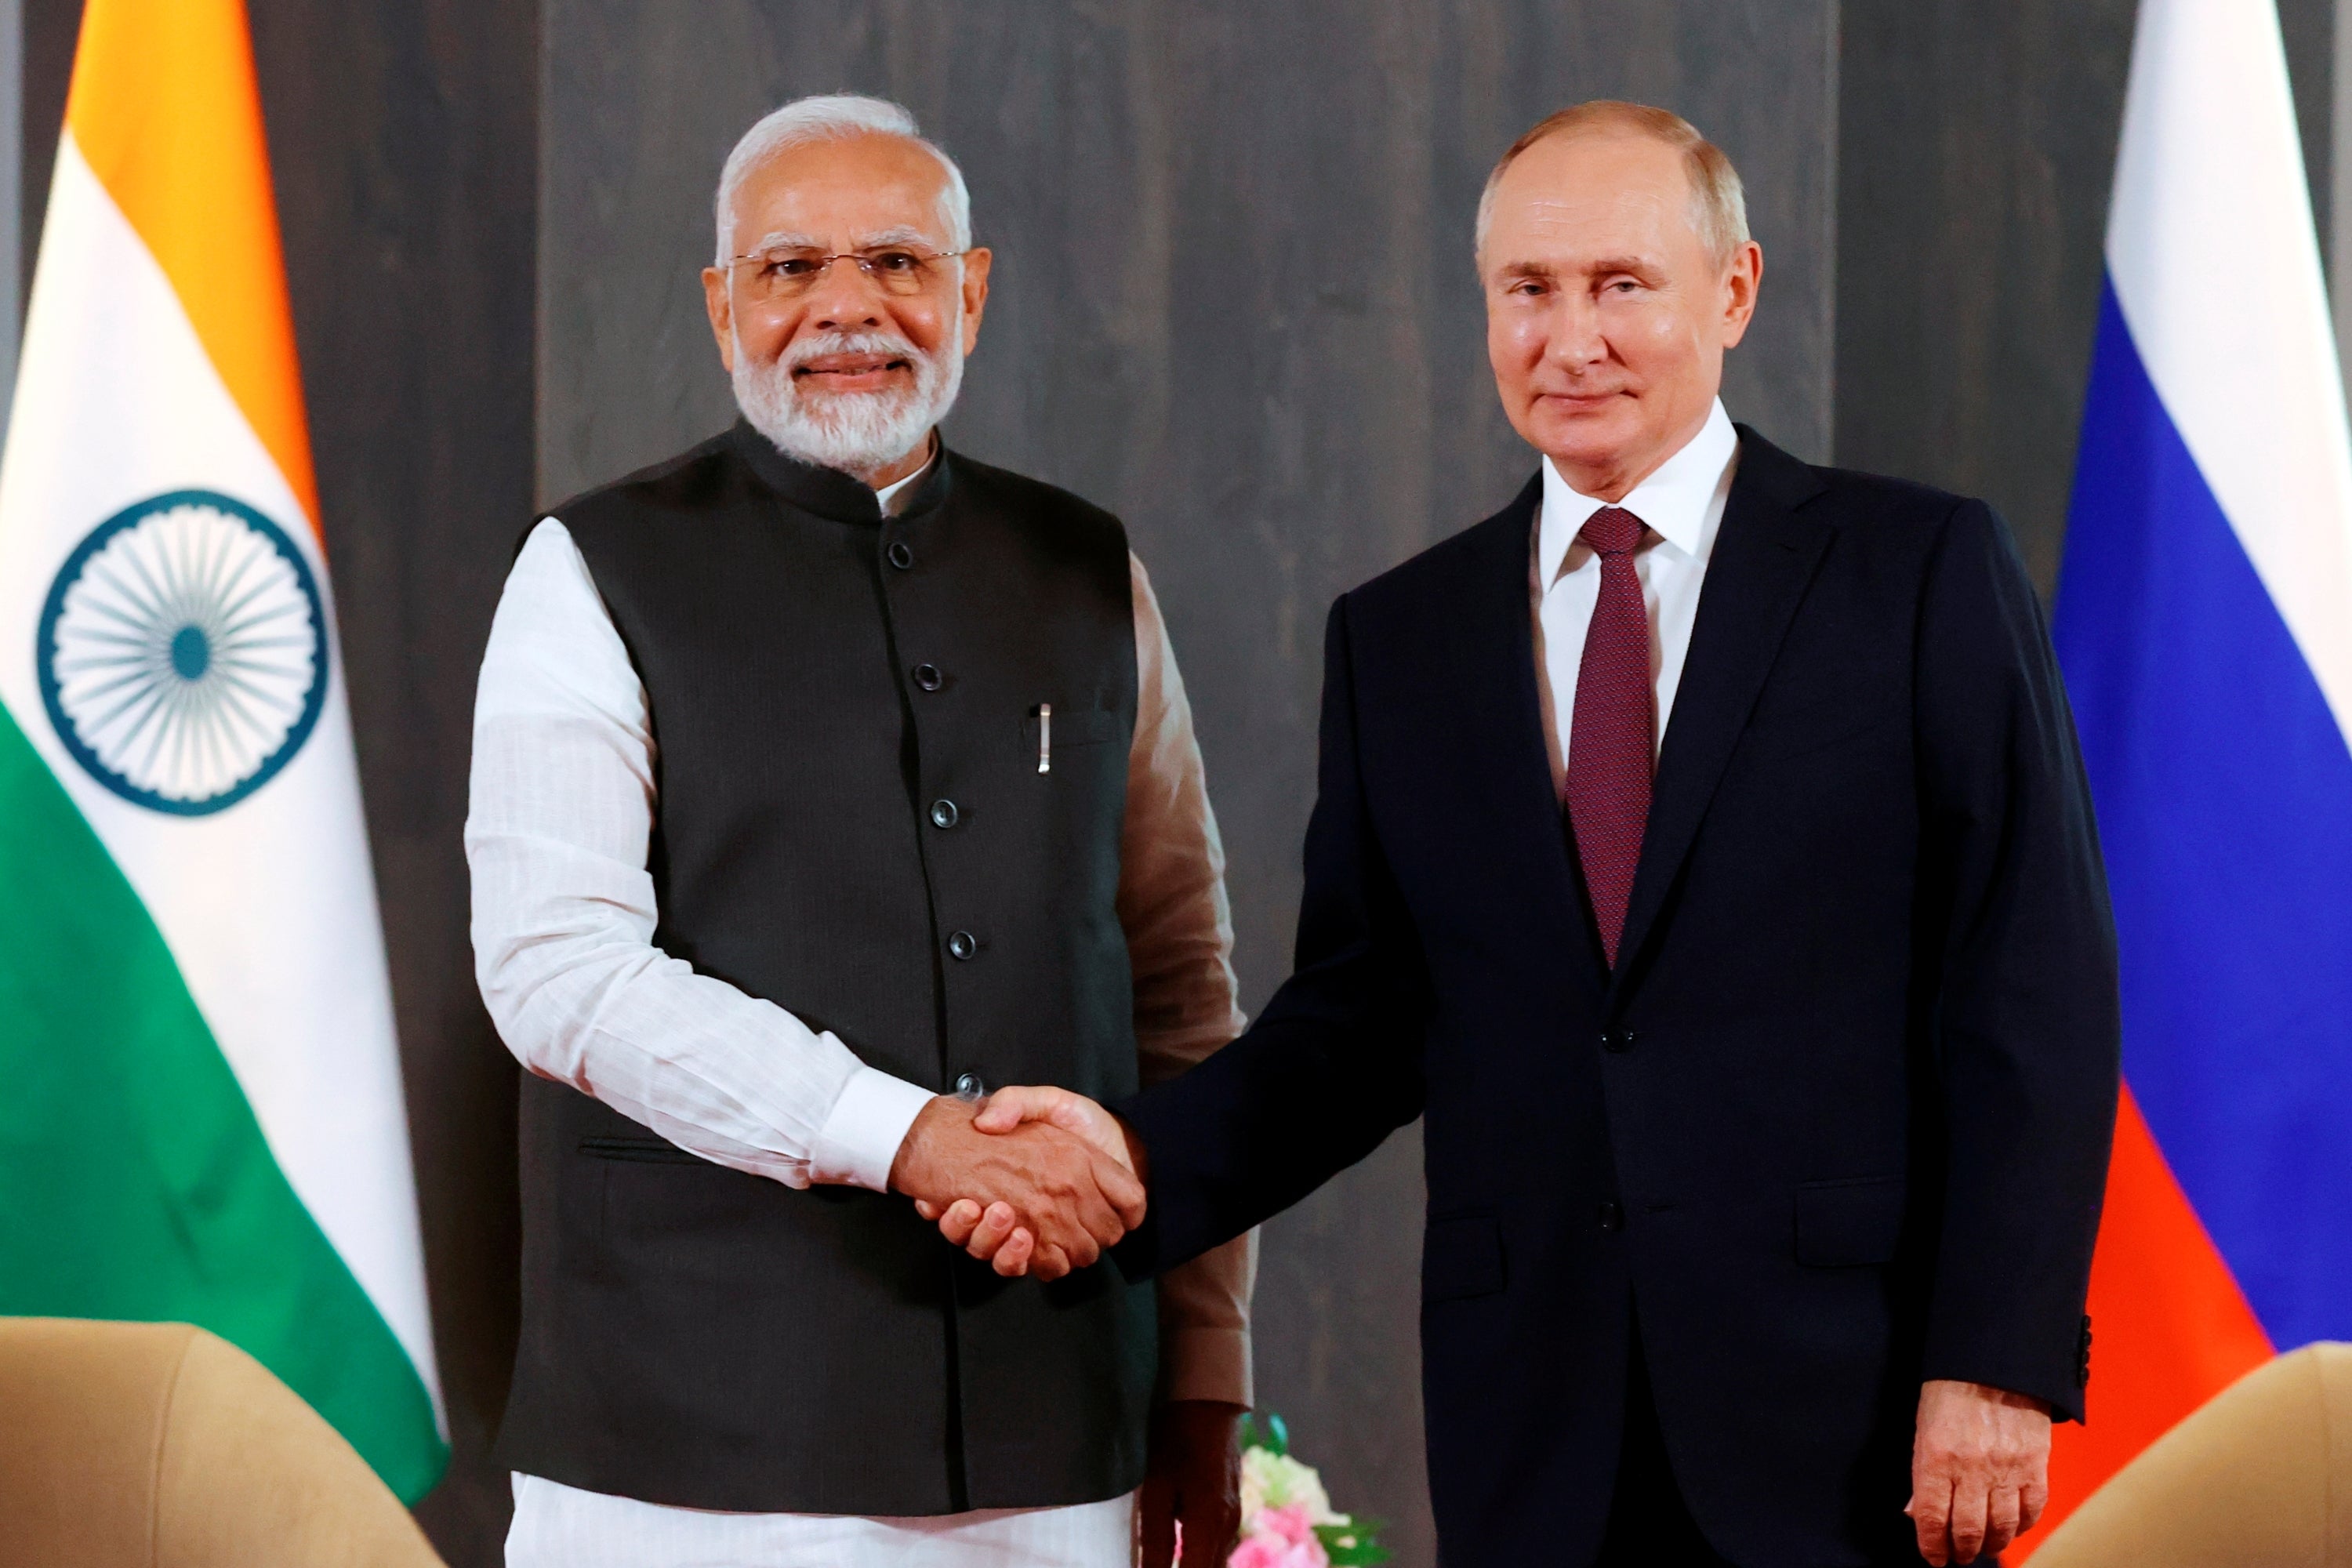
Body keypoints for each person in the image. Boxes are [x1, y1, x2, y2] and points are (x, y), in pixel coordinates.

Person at [942, 101, 2122, 1567]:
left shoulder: (1917, 573)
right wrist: (1130, 1159)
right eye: (1530, 291)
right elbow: (1357, 1027)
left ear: (1734, 290)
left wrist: (1996, 1356)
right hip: (1536, 1425)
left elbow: (2033, 989)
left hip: (1854, 1416)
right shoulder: (1403, 639)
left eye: (1622, 285)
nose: (1573, 341)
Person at [466, 94, 1253, 1567]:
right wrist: (913, 1140)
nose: (846, 309)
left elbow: (1178, 994)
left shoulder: (1089, 570)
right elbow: (554, 972)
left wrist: (1204, 1378)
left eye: (897, 261)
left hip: (1058, 1441)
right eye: (788, 269)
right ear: (720, 307)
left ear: (972, 291)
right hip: (688, 1456)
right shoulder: (588, 569)